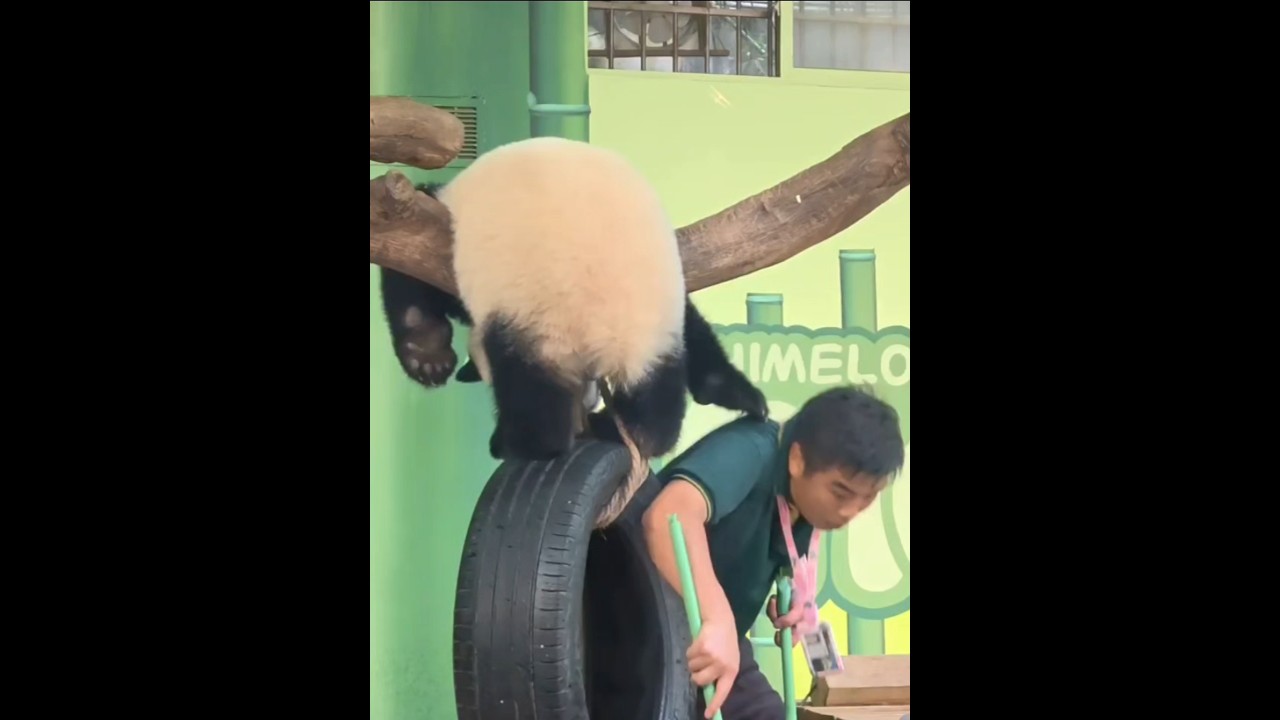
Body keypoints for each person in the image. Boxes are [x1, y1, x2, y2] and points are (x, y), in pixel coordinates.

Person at [642, 384, 905, 720]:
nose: (849, 511)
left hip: (714, 645)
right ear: (797, 459)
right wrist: (717, 617)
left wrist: (794, 595)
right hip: (641, 634)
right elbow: (668, 516)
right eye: (840, 491)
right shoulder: (750, 449)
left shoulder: (805, 503)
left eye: (866, 498)